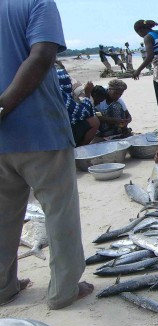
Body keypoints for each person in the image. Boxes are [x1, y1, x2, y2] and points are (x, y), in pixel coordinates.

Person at [0, 0, 93, 309]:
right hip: (40, 129)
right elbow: (42, 56)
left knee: (3, 216)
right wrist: (4, 105)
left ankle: (4, 288)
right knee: (59, 212)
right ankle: (64, 290)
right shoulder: (37, 3)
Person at [55, 61, 100, 145]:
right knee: (94, 121)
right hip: (56, 130)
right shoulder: (58, 90)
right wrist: (87, 94)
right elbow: (83, 113)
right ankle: (78, 150)